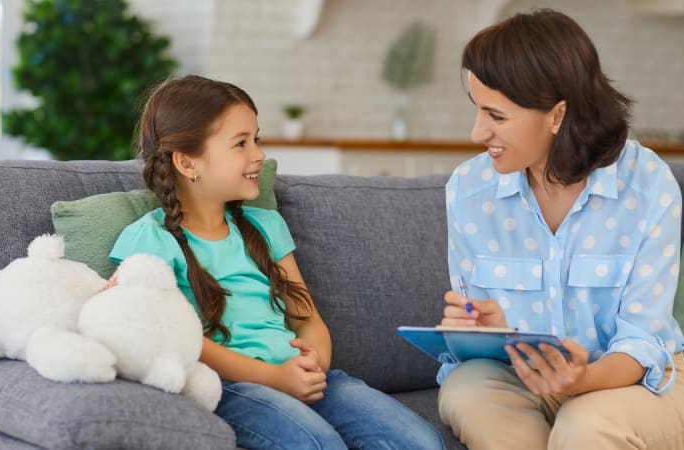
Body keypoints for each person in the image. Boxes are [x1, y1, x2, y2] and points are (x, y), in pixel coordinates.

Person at [108, 75, 444, 450]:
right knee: (316, 444)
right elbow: (177, 338)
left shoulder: (264, 227)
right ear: (187, 163)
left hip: (299, 374)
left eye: (257, 139)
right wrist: (276, 378)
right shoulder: (150, 240)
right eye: (240, 143)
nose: (259, 155)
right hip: (231, 388)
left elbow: (307, 318)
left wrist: (313, 363)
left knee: (422, 441)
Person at [438, 9, 684, 450]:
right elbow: (480, 342)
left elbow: (642, 342)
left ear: (557, 115)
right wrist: (486, 332)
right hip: (520, 376)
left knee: (585, 425)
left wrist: (582, 379)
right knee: (467, 391)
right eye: (477, 110)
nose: (477, 132)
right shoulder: (469, 191)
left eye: (496, 116)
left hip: (633, 383)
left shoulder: (647, 183)